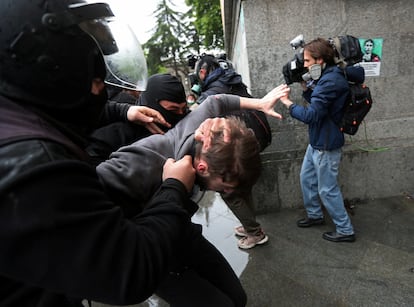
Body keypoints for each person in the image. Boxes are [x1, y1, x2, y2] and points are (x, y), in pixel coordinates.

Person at [0, 1, 247, 306]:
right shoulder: (36, 168)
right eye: (92, 81)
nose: (99, 90)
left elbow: (65, 111)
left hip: (169, 229)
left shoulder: (22, 114)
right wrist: (173, 187)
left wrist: (124, 110)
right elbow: (128, 271)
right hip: (140, 240)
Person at [97, 85, 290, 250]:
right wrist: (173, 187)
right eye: (226, 185)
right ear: (202, 167)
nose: (230, 192)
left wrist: (260, 104)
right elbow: (90, 191)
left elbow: (217, 101)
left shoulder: (201, 130)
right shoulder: (145, 160)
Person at [279, 38, 364, 243]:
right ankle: (315, 215)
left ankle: (345, 229)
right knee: (306, 178)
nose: (305, 64)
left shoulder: (331, 80)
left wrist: (288, 103)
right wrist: (306, 88)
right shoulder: (326, 76)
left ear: (320, 60)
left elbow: (312, 115)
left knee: (327, 189)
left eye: (308, 61)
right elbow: (320, 103)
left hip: (326, 144)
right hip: (317, 140)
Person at [189, 54, 272, 249]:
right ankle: (250, 225)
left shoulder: (213, 91)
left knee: (230, 191)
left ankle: (254, 233)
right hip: (250, 140)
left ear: (202, 72)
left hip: (235, 147)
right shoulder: (230, 78)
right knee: (243, 186)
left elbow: (194, 116)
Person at [87, 73, 188, 165]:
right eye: (173, 110)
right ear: (152, 105)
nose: (180, 114)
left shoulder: (185, 125)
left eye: (183, 109)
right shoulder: (119, 132)